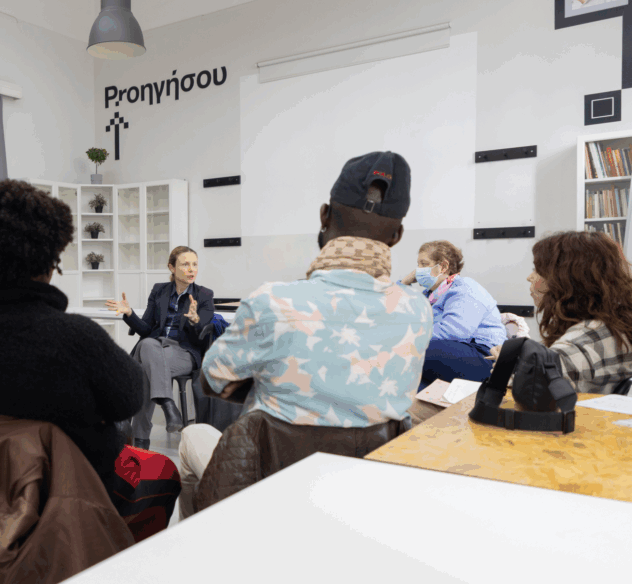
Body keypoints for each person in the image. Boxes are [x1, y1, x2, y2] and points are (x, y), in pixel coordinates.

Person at [177, 151, 434, 518]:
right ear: (397, 235)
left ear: (324, 216)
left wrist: (276, 384)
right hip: (363, 504)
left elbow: (212, 380)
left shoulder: (272, 301)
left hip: (266, 496)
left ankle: (200, 544)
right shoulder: (417, 311)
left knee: (191, 438)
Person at [0, 179, 146, 489]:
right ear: (48, 262)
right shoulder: (75, 337)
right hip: (64, 496)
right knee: (160, 471)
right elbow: (129, 399)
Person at [105, 246, 215, 449]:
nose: (191, 269)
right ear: (171, 267)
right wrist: (129, 314)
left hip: (183, 353)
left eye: (194, 264)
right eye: (185, 264)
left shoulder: (204, 295)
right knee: (147, 355)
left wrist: (195, 320)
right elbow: (146, 329)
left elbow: (200, 337)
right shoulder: (159, 290)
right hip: (154, 349)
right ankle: (167, 404)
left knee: (144, 356)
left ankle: (138, 443)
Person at [515, 231, 632, 392]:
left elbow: (528, 385)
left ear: (565, 280)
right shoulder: (615, 323)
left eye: (538, 270)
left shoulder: (584, 340)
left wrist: (509, 364)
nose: (530, 277)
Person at [399, 240, 506, 391]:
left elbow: (454, 332)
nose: (418, 271)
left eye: (424, 264)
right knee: (407, 374)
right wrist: (404, 283)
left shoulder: (466, 288)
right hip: (452, 351)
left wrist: (409, 338)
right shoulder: (430, 295)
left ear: (443, 266)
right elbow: (395, 314)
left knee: (412, 349)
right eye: (418, 265)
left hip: (484, 355)